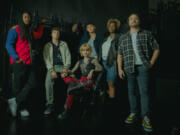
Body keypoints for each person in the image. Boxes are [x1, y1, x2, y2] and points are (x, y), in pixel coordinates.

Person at [117, 13, 160, 132]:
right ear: (128, 22)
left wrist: (151, 62)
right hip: (128, 67)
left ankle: (145, 117)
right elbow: (119, 54)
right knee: (131, 92)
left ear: (139, 21)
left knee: (144, 92)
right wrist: (120, 68)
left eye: (136, 18)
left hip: (143, 67)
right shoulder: (123, 37)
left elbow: (156, 48)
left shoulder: (147, 34)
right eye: (131, 18)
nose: (133, 20)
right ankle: (133, 113)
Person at [6, 11, 45, 118]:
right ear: (21, 18)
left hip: (29, 63)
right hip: (19, 62)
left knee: (33, 83)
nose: (27, 19)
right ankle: (20, 108)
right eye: (25, 17)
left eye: (29, 17)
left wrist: (41, 24)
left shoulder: (29, 31)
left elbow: (38, 35)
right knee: (18, 87)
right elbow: (8, 44)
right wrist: (16, 58)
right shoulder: (14, 30)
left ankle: (15, 102)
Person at [58, 43, 103, 120]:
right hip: (81, 81)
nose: (85, 52)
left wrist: (92, 70)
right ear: (81, 52)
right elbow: (72, 71)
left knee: (71, 89)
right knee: (67, 78)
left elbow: (101, 68)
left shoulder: (93, 60)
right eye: (84, 50)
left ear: (90, 51)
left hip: (89, 81)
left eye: (87, 50)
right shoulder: (80, 61)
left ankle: (75, 87)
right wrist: (65, 72)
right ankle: (66, 110)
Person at [43, 27, 71, 116]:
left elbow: (68, 56)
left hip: (63, 66)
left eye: (58, 33)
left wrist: (66, 69)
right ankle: (50, 105)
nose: (56, 34)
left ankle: (68, 105)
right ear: (51, 34)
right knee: (48, 83)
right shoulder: (47, 45)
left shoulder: (63, 44)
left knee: (73, 79)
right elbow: (46, 59)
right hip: (53, 67)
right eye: (54, 32)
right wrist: (51, 70)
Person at [100, 18, 121, 100]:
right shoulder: (105, 38)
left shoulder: (119, 37)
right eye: (110, 26)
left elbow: (120, 51)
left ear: (116, 27)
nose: (111, 27)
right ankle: (108, 99)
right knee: (104, 83)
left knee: (111, 83)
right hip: (103, 62)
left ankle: (112, 103)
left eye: (113, 26)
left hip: (112, 62)